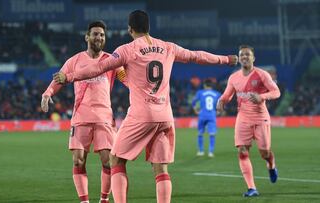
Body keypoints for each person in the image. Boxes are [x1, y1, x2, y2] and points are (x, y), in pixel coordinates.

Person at [53, 10, 238, 203]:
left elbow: (99, 67)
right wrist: (225, 59)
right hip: (165, 117)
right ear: (149, 27)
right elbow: (196, 56)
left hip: (141, 115)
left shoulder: (127, 49)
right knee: (161, 169)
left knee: (116, 160)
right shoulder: (168, 47)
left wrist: (70, 76)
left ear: (130, 29)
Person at [41, 21, 127, 203]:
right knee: (78, 161)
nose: (99, 37)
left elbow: (125, 78)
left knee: (108, 161)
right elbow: (60, 79)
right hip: (81, 117)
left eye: (102, 35)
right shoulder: (75, 60)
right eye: (95, 34)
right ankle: (84, 201)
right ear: (87, 37)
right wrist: (48, 93)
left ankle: (104, 199)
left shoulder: (111, 60)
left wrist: (138, 87)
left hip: (104, 118)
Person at [216, 45, 280, 197]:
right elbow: (227, 94)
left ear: (253, 58)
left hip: (260, 118)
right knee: (242, 151)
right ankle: (252, 188)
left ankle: (271, 165)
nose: (244, 57)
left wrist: (262, 97)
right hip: (243, 118)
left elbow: (276, 91)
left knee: (264, 152)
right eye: (242, 55)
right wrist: (221, 101)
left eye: (247, 55)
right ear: (239, 58)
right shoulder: (234, 77)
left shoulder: (262, 74)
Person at [191, 78, 221, 157]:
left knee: (200, 133)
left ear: (204, 85)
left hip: (202, 115)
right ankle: (211, 152)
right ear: (212, 85)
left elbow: (193, 102)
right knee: (212, 134)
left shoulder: (200, 93)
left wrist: (195, 110)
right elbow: (221, 103)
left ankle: (201, 151)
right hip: (212, 115)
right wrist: (218, 111)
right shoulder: (217, 93)